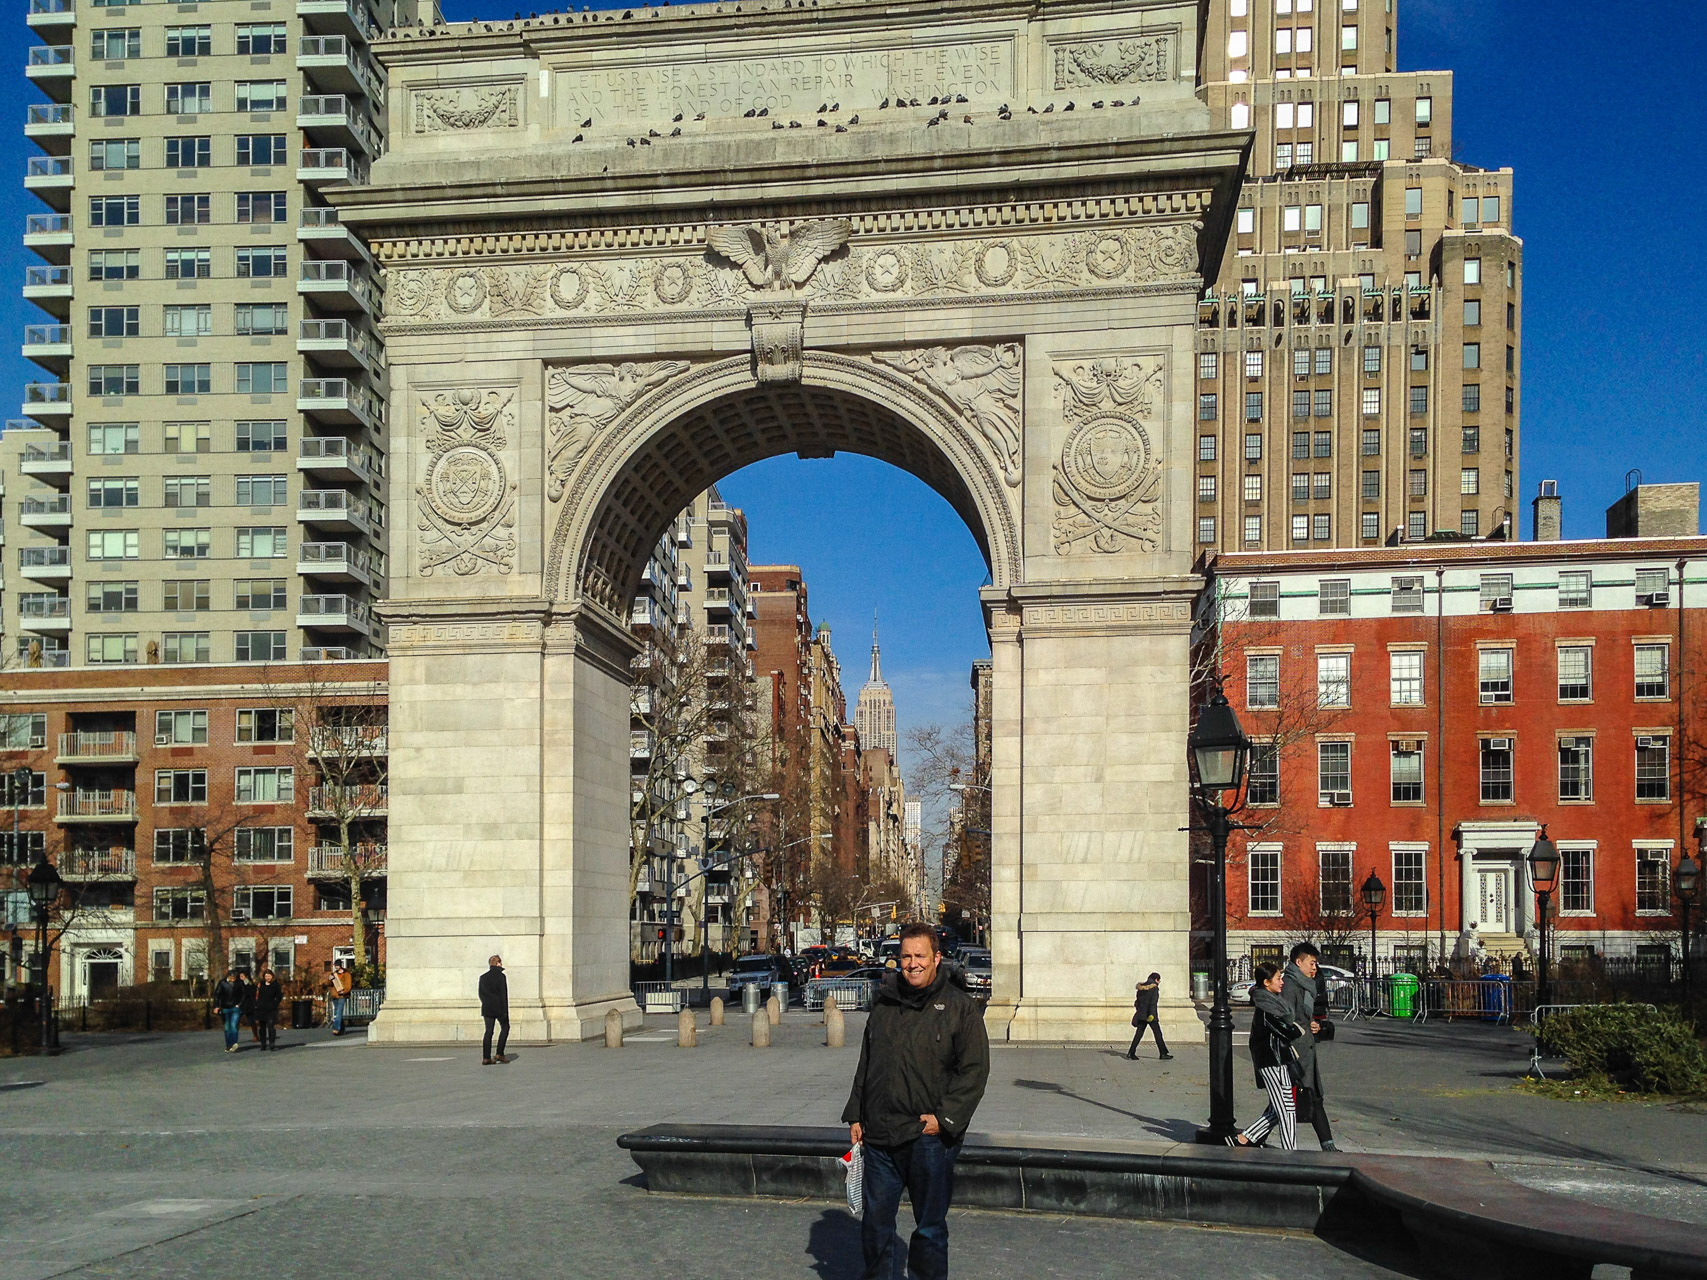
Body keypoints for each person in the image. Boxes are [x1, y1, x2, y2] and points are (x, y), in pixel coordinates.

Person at [843, 921, 990, 1280]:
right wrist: (856, 1115)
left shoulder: (960, 1007)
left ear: (937, 958)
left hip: (929, 1140)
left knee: (929, 1230)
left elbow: (974, 1070)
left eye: (920, 955)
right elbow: (868, 1062)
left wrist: (944, 1121)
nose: (913, 963)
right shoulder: (884, 1003)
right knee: (876, 1228)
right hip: (880, 1137)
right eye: (906, 956)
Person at [1228, 964, 1305, 1148]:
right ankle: (1290, 1151)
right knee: (1286, 1109)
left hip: (1279, 1059)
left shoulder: (1272, 1001)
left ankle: (1243, 1138)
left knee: (1277, 1107)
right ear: (1266, 982)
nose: (1282, 982)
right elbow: (1286, 1031)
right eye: (1278, 978)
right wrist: (1300, 1029)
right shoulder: (1266, 1007)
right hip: (1272, 1061)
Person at [1283, 942, 1337, 1152]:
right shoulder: (1290, 984)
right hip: (1296, 1051)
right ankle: (1248, 1137)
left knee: (1311, 1097)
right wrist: (1305, 1026)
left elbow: (1300, 1017)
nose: (1314, 968)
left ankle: (1328, 1145)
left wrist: (1311, 1024)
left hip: (1305, 1049)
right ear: (1299, 962)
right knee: (1287, 1102)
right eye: (1311, 963)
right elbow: (1286, 1018)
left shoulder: (1304, 985)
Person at [1125, 971, 1173, 1061]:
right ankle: (1163, 1053)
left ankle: (1131, 1052)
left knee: (1139, 1034)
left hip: (1142, 1014)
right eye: (1159, 980)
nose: (1159, 982)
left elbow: (1137, 1002)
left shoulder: (1140, 988)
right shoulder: (1154, 989)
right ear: (1156, 980)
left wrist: (1140, 1011)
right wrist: (1152, 1015)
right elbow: (1153, 1003)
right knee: (1158, 1034)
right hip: (1150, 1015)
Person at [479, 954, 509, 1065]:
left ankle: (486, 1057)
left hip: (487, 1008)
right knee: (505, 1028)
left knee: (488, 1032)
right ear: (498, 963)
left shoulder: (483, 977)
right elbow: (503, 994)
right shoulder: (501, 976)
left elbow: (480, 994)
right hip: (499, 1008)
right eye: (500, 962)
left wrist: (486, 1003)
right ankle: (499, 1053)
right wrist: (505, 1010)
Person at [212, 968, 247, 1053]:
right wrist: (216, 1006)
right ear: (228, 977)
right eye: (231, 978)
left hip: (235, 1007)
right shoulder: (222, 983)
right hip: (225, 1007)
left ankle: (234, 1043)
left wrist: (239, 1004)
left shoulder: (240, 983)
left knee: (234, 1025)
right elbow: (217, 995)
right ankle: (229, 1045)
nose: (233, 980)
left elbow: (244, 994)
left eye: (234, 978)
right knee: (227, 1027)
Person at [252, 969, 284, 1051]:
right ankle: (263, 1044)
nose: (267, 978)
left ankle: (272, 1043)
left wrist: (275, 1004)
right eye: (266, 976)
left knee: (270, 1025)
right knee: (262, 1027)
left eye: (269, 976)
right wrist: (256, 1004)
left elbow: (279, 996)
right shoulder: (260, 984)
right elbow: (254, 995)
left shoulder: (275, 985)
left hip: (271, 1009)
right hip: (261, 1008)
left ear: (272, 976)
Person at [326, 961, 354, 1035]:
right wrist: (329, 979)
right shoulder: (333, 974)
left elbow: (348, 985)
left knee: (339, 1011)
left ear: (340, 965)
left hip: (342, 995)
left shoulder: (347, 974)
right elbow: (329, 984)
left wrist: (344, 991)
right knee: (337, 1012)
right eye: (335, 966)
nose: (336, 967)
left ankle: (336, 1028)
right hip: (335, 995)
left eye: (337, 965)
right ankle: (342, 1029)